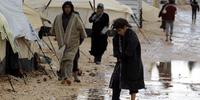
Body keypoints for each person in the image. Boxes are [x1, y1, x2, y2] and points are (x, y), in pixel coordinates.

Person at [51, 1, 87, 85]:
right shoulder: (59, 17)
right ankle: (63, 76)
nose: (67, 9)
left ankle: (68, 77)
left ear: (71, 8)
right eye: (65, 7)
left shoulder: (75, 17)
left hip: (73, 43)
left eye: (69, 7)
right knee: (63, 60)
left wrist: (79, 42)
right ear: (63, 8)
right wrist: (57, 35)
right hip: (62, 44)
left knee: (70, 59)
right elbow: (54, 29)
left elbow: (82, 29)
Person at [109, 18, 145, 100]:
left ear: (125, 27)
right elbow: (116, 49)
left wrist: (122, 56)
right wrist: (118, 56)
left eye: (120, 30)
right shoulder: (116, 36)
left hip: (133, 63)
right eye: (117, 30)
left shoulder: (132, 35)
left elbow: (130, 51)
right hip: (121, 62)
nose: (119, 32)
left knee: (133, 83)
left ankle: (133, 99)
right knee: (116, 81)